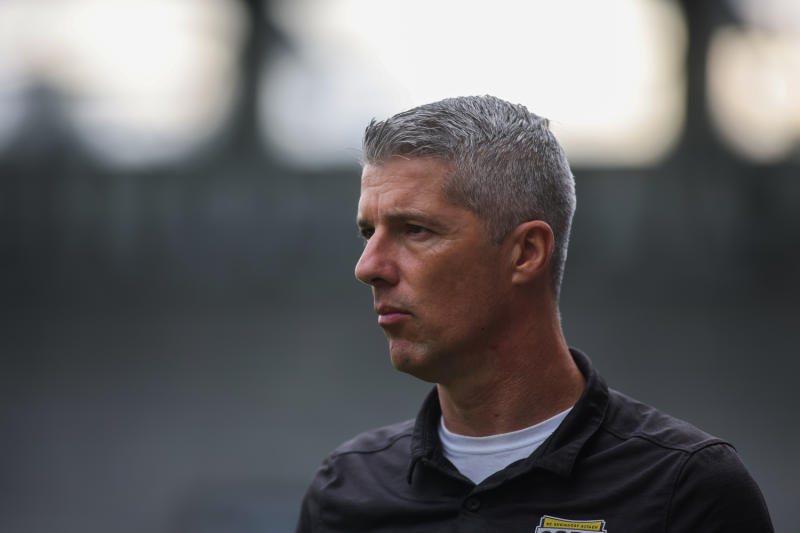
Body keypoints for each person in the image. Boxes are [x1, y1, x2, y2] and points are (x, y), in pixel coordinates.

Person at [295, 96, 772, 532]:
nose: (367, 267)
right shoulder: (345, 490)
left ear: (526, 252)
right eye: (369, 233)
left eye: (415, 230)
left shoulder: (685, 489)